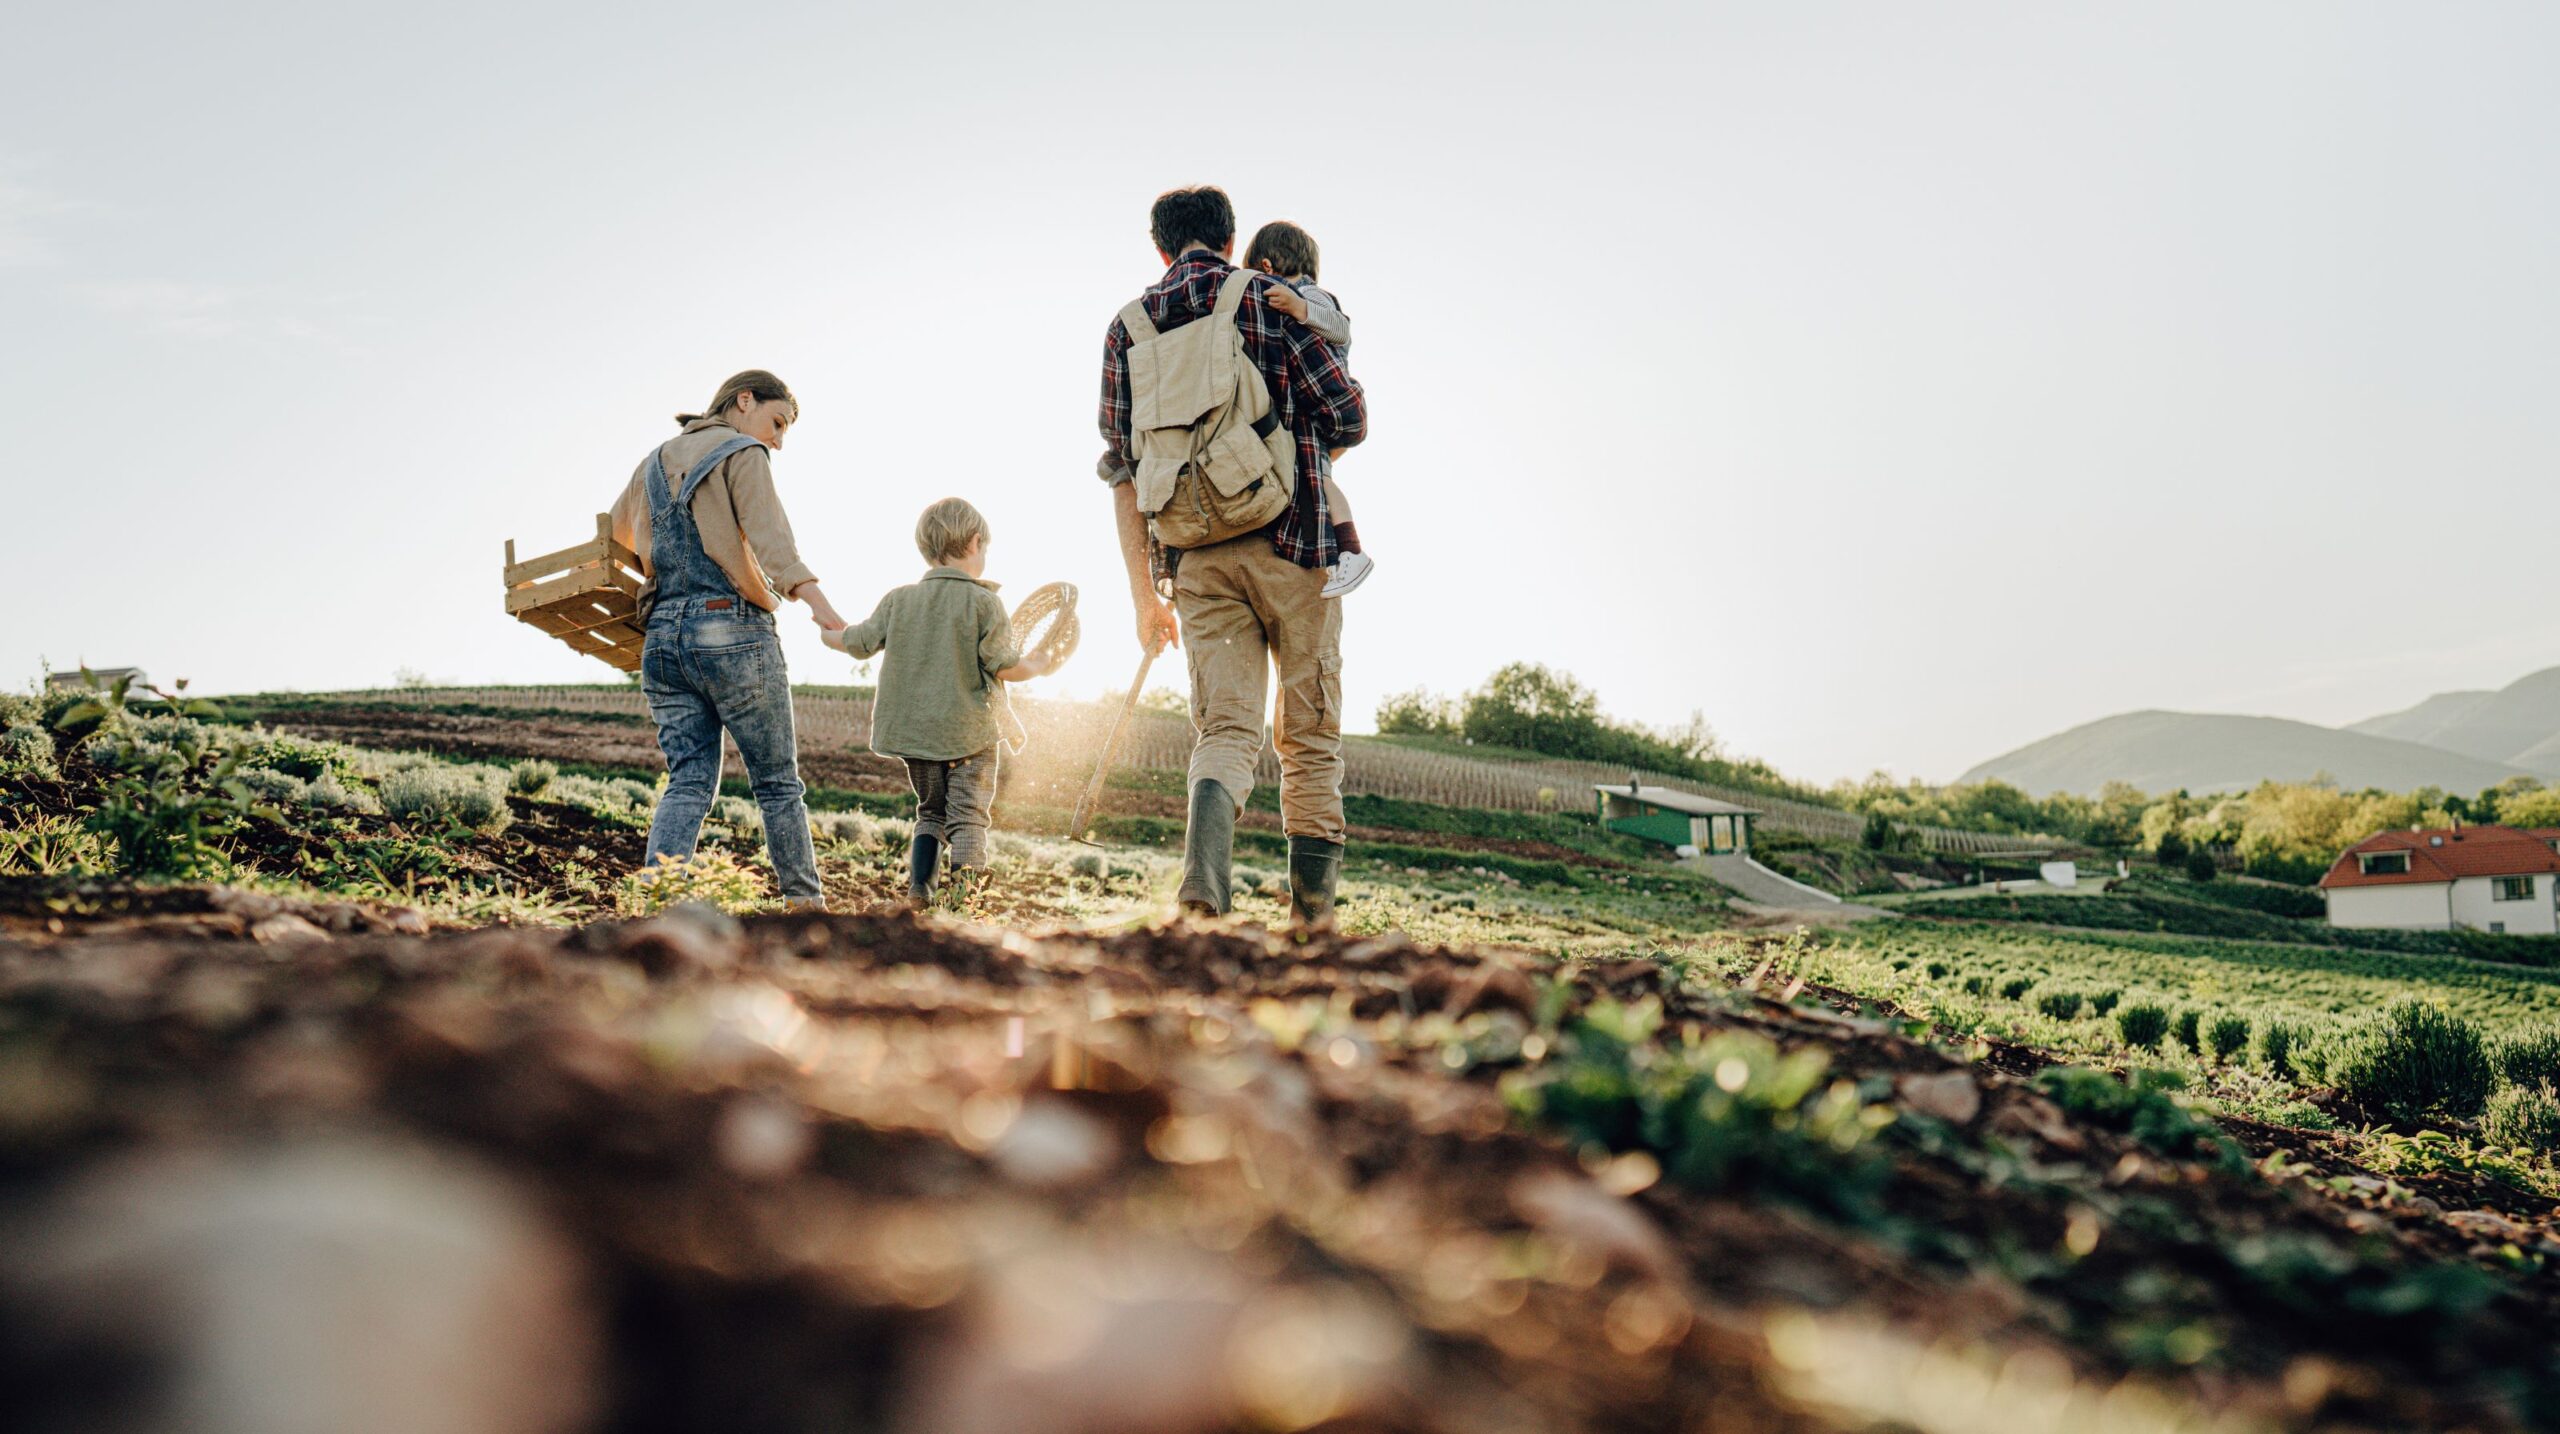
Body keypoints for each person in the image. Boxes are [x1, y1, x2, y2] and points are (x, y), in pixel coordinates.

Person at [1096, 185, 1367, 925]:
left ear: (1160, 247)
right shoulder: (1267, 297)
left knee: (1226, 730)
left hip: (1195, 559)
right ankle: (1312, 921)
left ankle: (1203, 892)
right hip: (1296, 540)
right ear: (1230, 237)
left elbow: (1122, 471)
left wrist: (1145, 598)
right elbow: (1348, 413)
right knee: (1309, 731)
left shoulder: (1127, 329)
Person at [608, 369, 844, 911]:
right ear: (744, 401)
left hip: (663, 640)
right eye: (776, 421)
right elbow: (773, 543)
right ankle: (805, 909)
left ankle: (658, 903)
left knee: (687, 781)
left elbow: (615, 538)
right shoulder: (743, 453)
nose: (777, 440)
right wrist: (821, 608)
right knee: (778, 784)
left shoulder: (653, 462)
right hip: (731, 630)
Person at [824, 497, 1055, 904]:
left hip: (918, 739)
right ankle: (965, 898)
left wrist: (829, 634)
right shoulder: (985, 602)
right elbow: (1003, 665)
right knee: (968, 817)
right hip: (971, 736)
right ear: (975, 542)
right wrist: (1034, 665)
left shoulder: (899, 599)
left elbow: (857, 642)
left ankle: (920, 890)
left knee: (930, 813)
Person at [1243, 220, 1370, 597]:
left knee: (1322, 482)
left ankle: (1352, 552)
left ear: (1266, 267)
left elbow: (1341, 329)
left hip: (1322, 412)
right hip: (1312, 412)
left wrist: (1300, 308)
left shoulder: (1312, 295)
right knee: (1318, 480)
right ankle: (1343, 553)